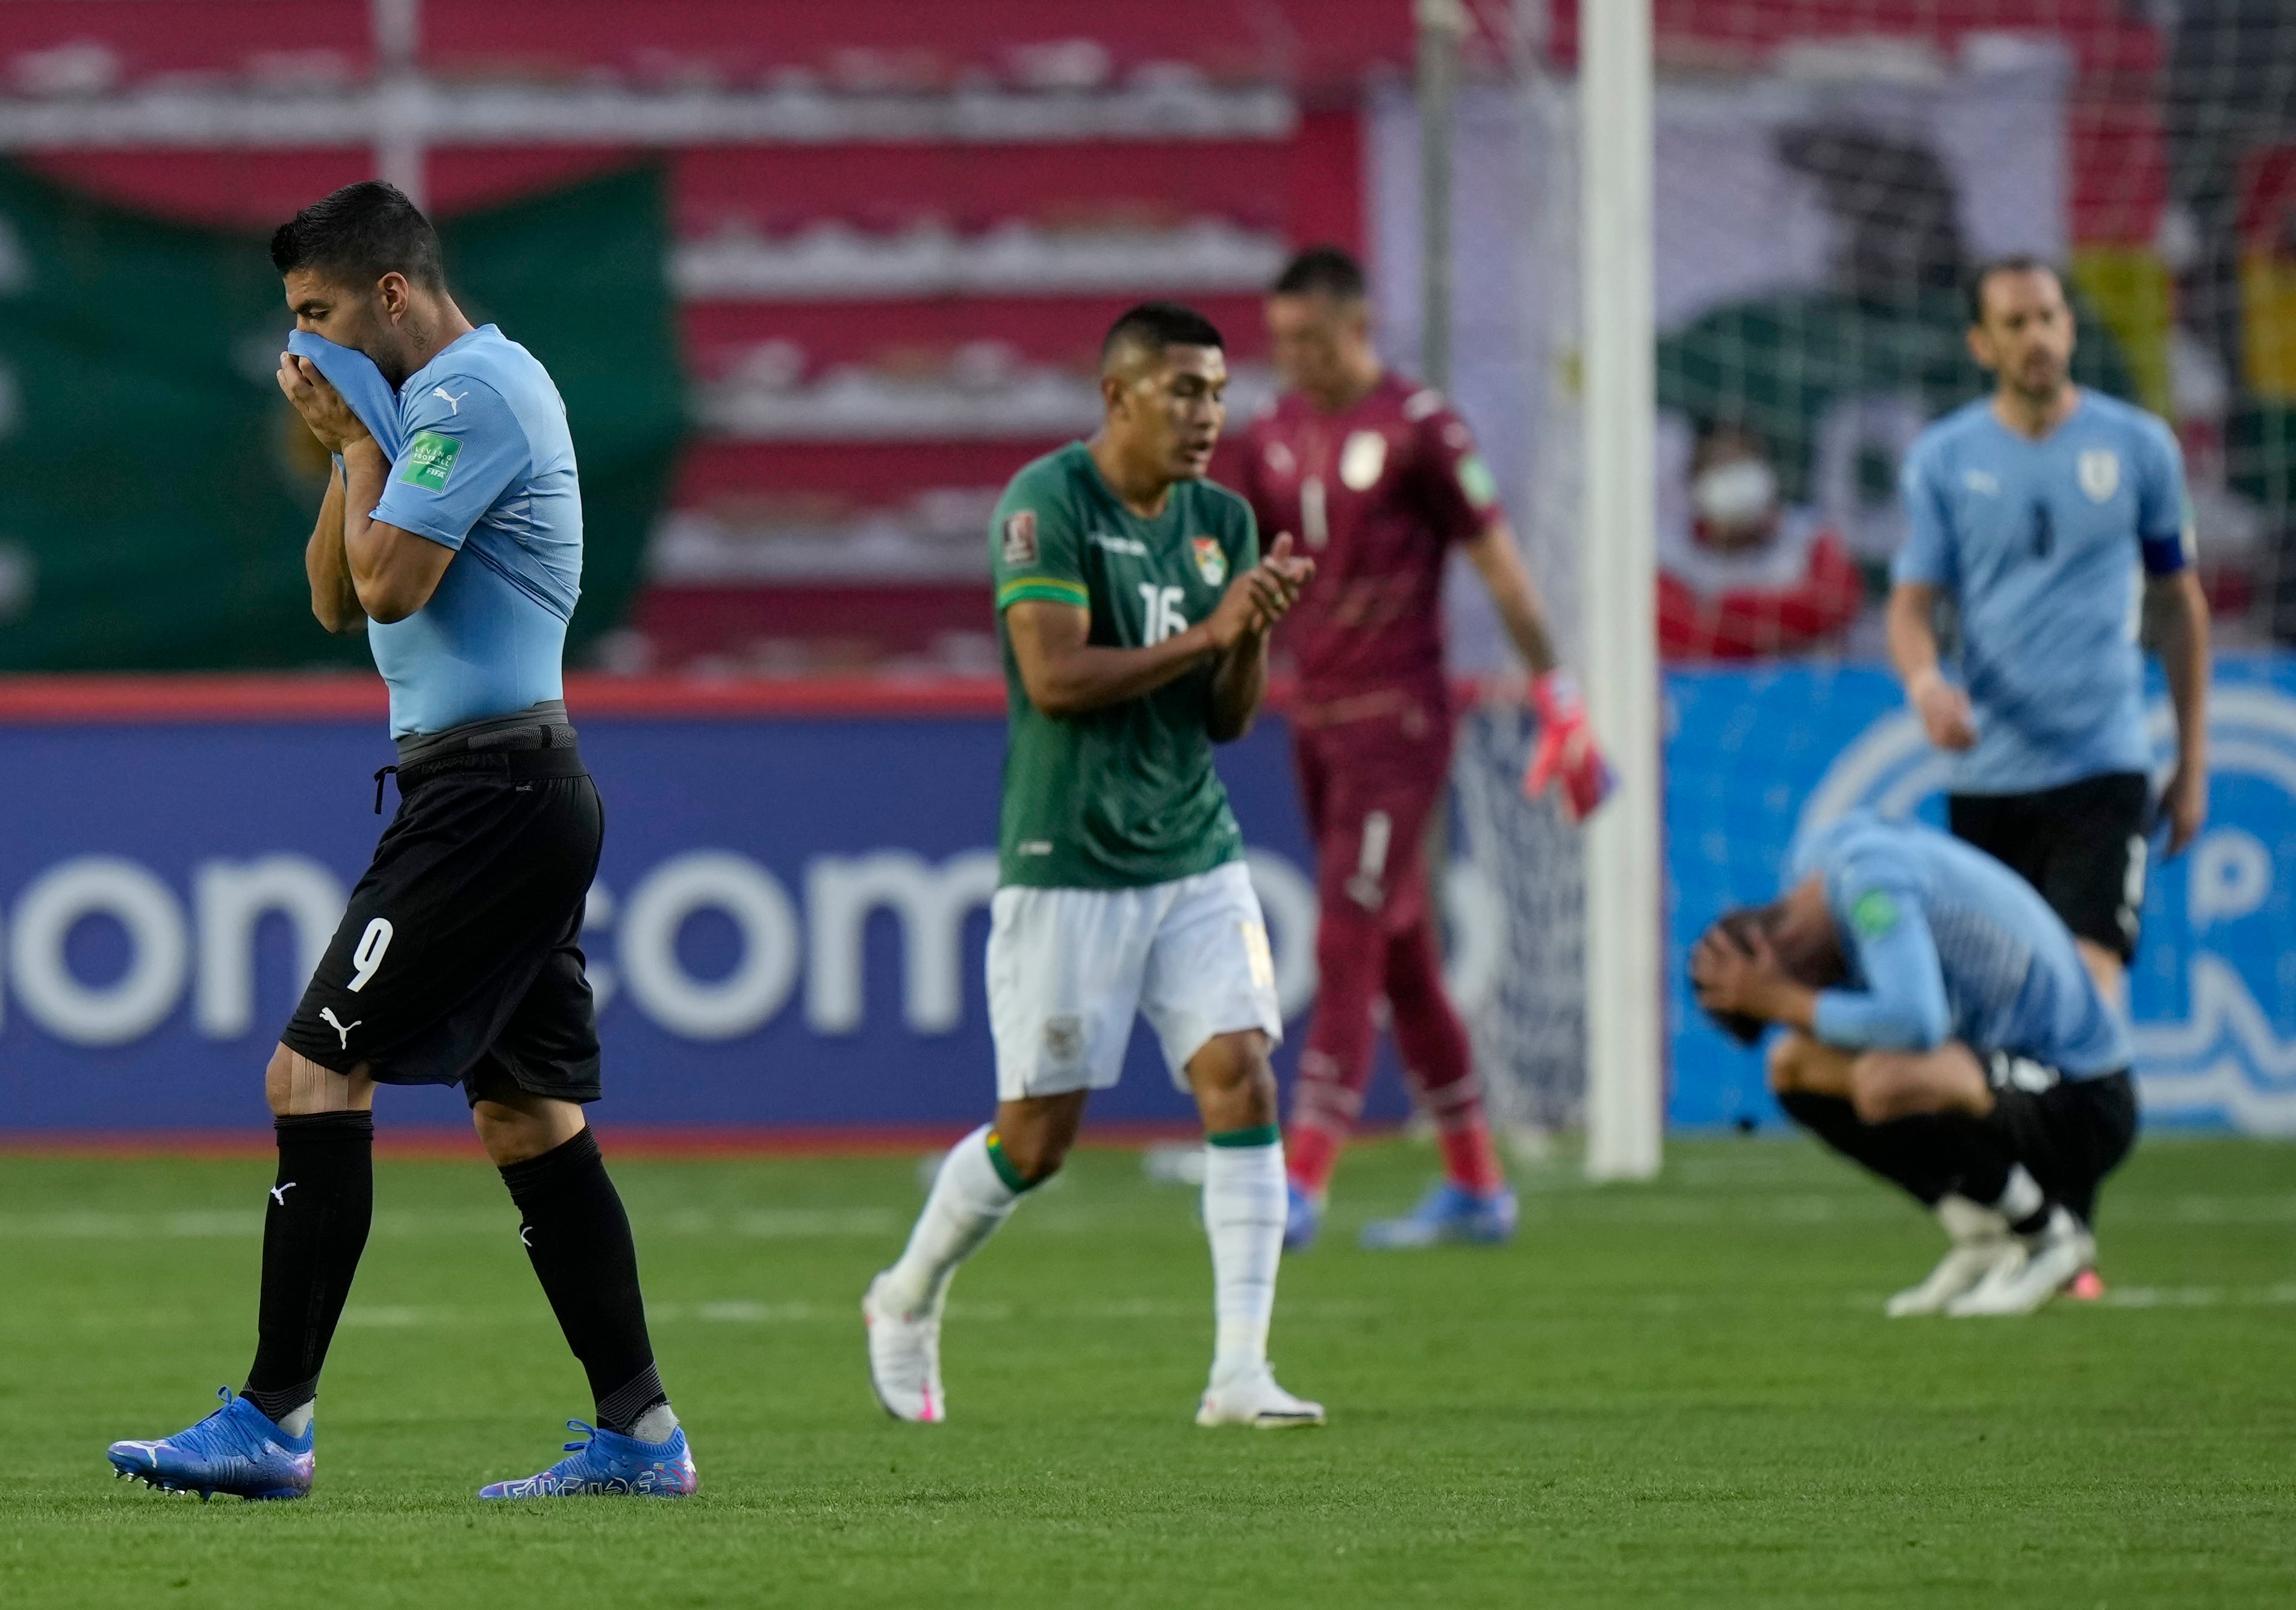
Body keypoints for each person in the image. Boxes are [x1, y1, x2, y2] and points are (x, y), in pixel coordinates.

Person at [106, 182, 695, 1502]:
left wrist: (359, 451)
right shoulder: (415, 411)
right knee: (526, 1114)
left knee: (310, 1071)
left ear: (391, 294)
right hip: (493, 791)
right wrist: (344, 448)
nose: (301, 344)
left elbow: (391, 583)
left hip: (492, 796)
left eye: (317, 313)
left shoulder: (472, 397)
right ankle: (641, 1433)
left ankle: (272, 1417)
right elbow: (333, 597)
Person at [862, 302, 1324, 1429]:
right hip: (1065, 855)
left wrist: (1248, 629)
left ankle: (1239, 1372)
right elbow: (1058, 678)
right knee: (1039, 1138)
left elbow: (1224, 718)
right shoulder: (1045, 504)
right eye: (1181, 390)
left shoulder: (1219, 516)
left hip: (1193, 847)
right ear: (1116, 396)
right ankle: (905, 1294)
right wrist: (1210, 633)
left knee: (1243, 1074)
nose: (1205, 412)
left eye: (1215, 390)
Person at [1234, 245, 1610, 1252]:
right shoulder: (1266, 437)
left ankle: (1298, 1181)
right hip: (1312, 720)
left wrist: (1558, 698)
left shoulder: (1421, 429)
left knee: (1345, 935)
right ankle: (1477, 1186)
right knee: (1401, 956)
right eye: (1281, 342)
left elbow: (1500, 566)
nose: (1296, 358)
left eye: (1311, 338)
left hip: (1400, 721)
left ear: (1357, 325)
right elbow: (1233, 577)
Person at [1888, 256, 2212, 1000]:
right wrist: (1927, 683)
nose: (2036, 337)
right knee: (1998, 992)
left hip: (2103, 757)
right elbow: (1910, 605)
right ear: (1982, 344)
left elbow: (2178, 604)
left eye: (2047, 317)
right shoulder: (1943, 459)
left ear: (2069, 326)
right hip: (1989, 767)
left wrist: (2191, 763)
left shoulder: (2140, 447)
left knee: (2090, 972)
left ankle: (2097, 1116)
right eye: (2015, 323)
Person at [1691, 813, 2139, 1317]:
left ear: (1779, 947)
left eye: (1802, 984)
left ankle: (2050, 1238)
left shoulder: (1866, 884)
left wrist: (1787, 1003)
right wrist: (1793, 1009)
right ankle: (1981, 1236)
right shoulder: (1821, 863)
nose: (1813, 999)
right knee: (1793, 1064)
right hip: (2008, 1073)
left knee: (1889, 1079)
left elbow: (1917, 1022)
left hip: (2085, 1098)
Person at [1658, 420, 1864, 660]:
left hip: (1801, 692)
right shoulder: (1668, 552)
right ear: (1695, 480)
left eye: (1744, 462)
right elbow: (1684, 637)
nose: (1735, 477)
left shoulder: (1809, 536)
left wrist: (1726, 610)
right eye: (1721, 465)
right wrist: (1775, 622)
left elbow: (1838, 601)